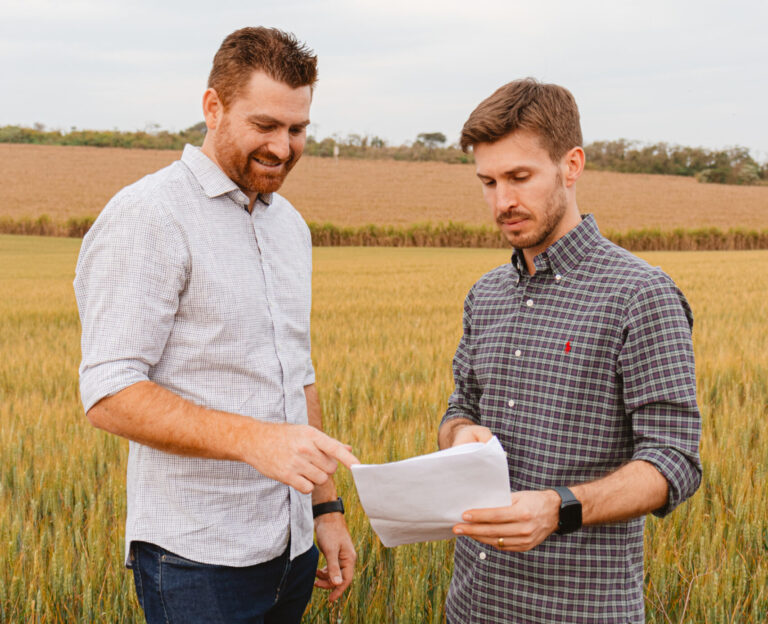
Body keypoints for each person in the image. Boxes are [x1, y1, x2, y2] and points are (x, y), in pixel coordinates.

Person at [74, 27, 357, 624]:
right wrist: (255, 440)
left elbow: (296, 374)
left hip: (293, 550)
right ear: (213, 107)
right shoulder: (148, 216)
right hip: (197, 563)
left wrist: (325, 509)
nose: (283, 147)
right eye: (265, 126)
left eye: (298, 129)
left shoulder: (291, 228)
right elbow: (109, 392)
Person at [437, 78, 702, 624]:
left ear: (571, 164)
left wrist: (559, 509)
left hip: (578, 611)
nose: (502, 201)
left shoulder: (640, 295)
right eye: (487, 181)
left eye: (519, 177)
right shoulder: (485, 295)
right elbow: (459, 407)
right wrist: (461, 434)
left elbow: (674, 462)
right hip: (471, 606)